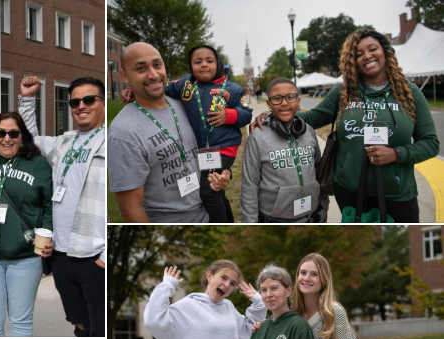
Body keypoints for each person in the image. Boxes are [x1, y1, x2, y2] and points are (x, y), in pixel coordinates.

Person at [252, 29, 439, 223]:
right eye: (358, 54)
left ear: (385, 51)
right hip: (350, 190)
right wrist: (273, 115)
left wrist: (396, 154)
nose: (367, 56)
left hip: (398, 193)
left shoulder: (410, 93)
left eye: (372, 48)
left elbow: (431, 143)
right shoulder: (343, 92)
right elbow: (311, 118)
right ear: (353, 61)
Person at [20, 75, 106, 337]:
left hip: (94, 256)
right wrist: (27, 99)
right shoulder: (63, 143)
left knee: (100, 329)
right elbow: (29, 137)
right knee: (79, 324)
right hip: (61, 254)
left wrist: (105, 255)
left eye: (89, 99)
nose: (81, 106)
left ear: (102, 102)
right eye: (75, 101)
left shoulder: (112, 141)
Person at [122, 45, 247, 223]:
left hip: (224, 147)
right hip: (204, 149)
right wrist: (133, 90)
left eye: (209, 61)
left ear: (218, 63)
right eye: (198, 62)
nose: (204, 65)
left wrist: (229, 115)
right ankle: (228, 220)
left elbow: (247, 114)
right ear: (191, 65)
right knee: (215, 189)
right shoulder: (185, 84)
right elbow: (158, 87)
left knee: (208, 190)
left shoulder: (233, 89)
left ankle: (220, 224)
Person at [0, 111, 53, 336]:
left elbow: (48, 205)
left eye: (13, 133)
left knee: (21, 322)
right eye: (1, 133)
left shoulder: (38, 165)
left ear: (22, 136)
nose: (7, 139)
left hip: (25, 256)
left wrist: (47, 235)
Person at [241, 79, 323, 223]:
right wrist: (250, 221)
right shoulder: (257, 137)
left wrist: (323, 207)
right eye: (277, 98)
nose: (284, 103)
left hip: (311, 213)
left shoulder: (309, 131)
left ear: (298, 101)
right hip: (274, 218)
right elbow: (249, 185)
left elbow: (319, 172)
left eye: (290, 97)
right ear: (269, 103)